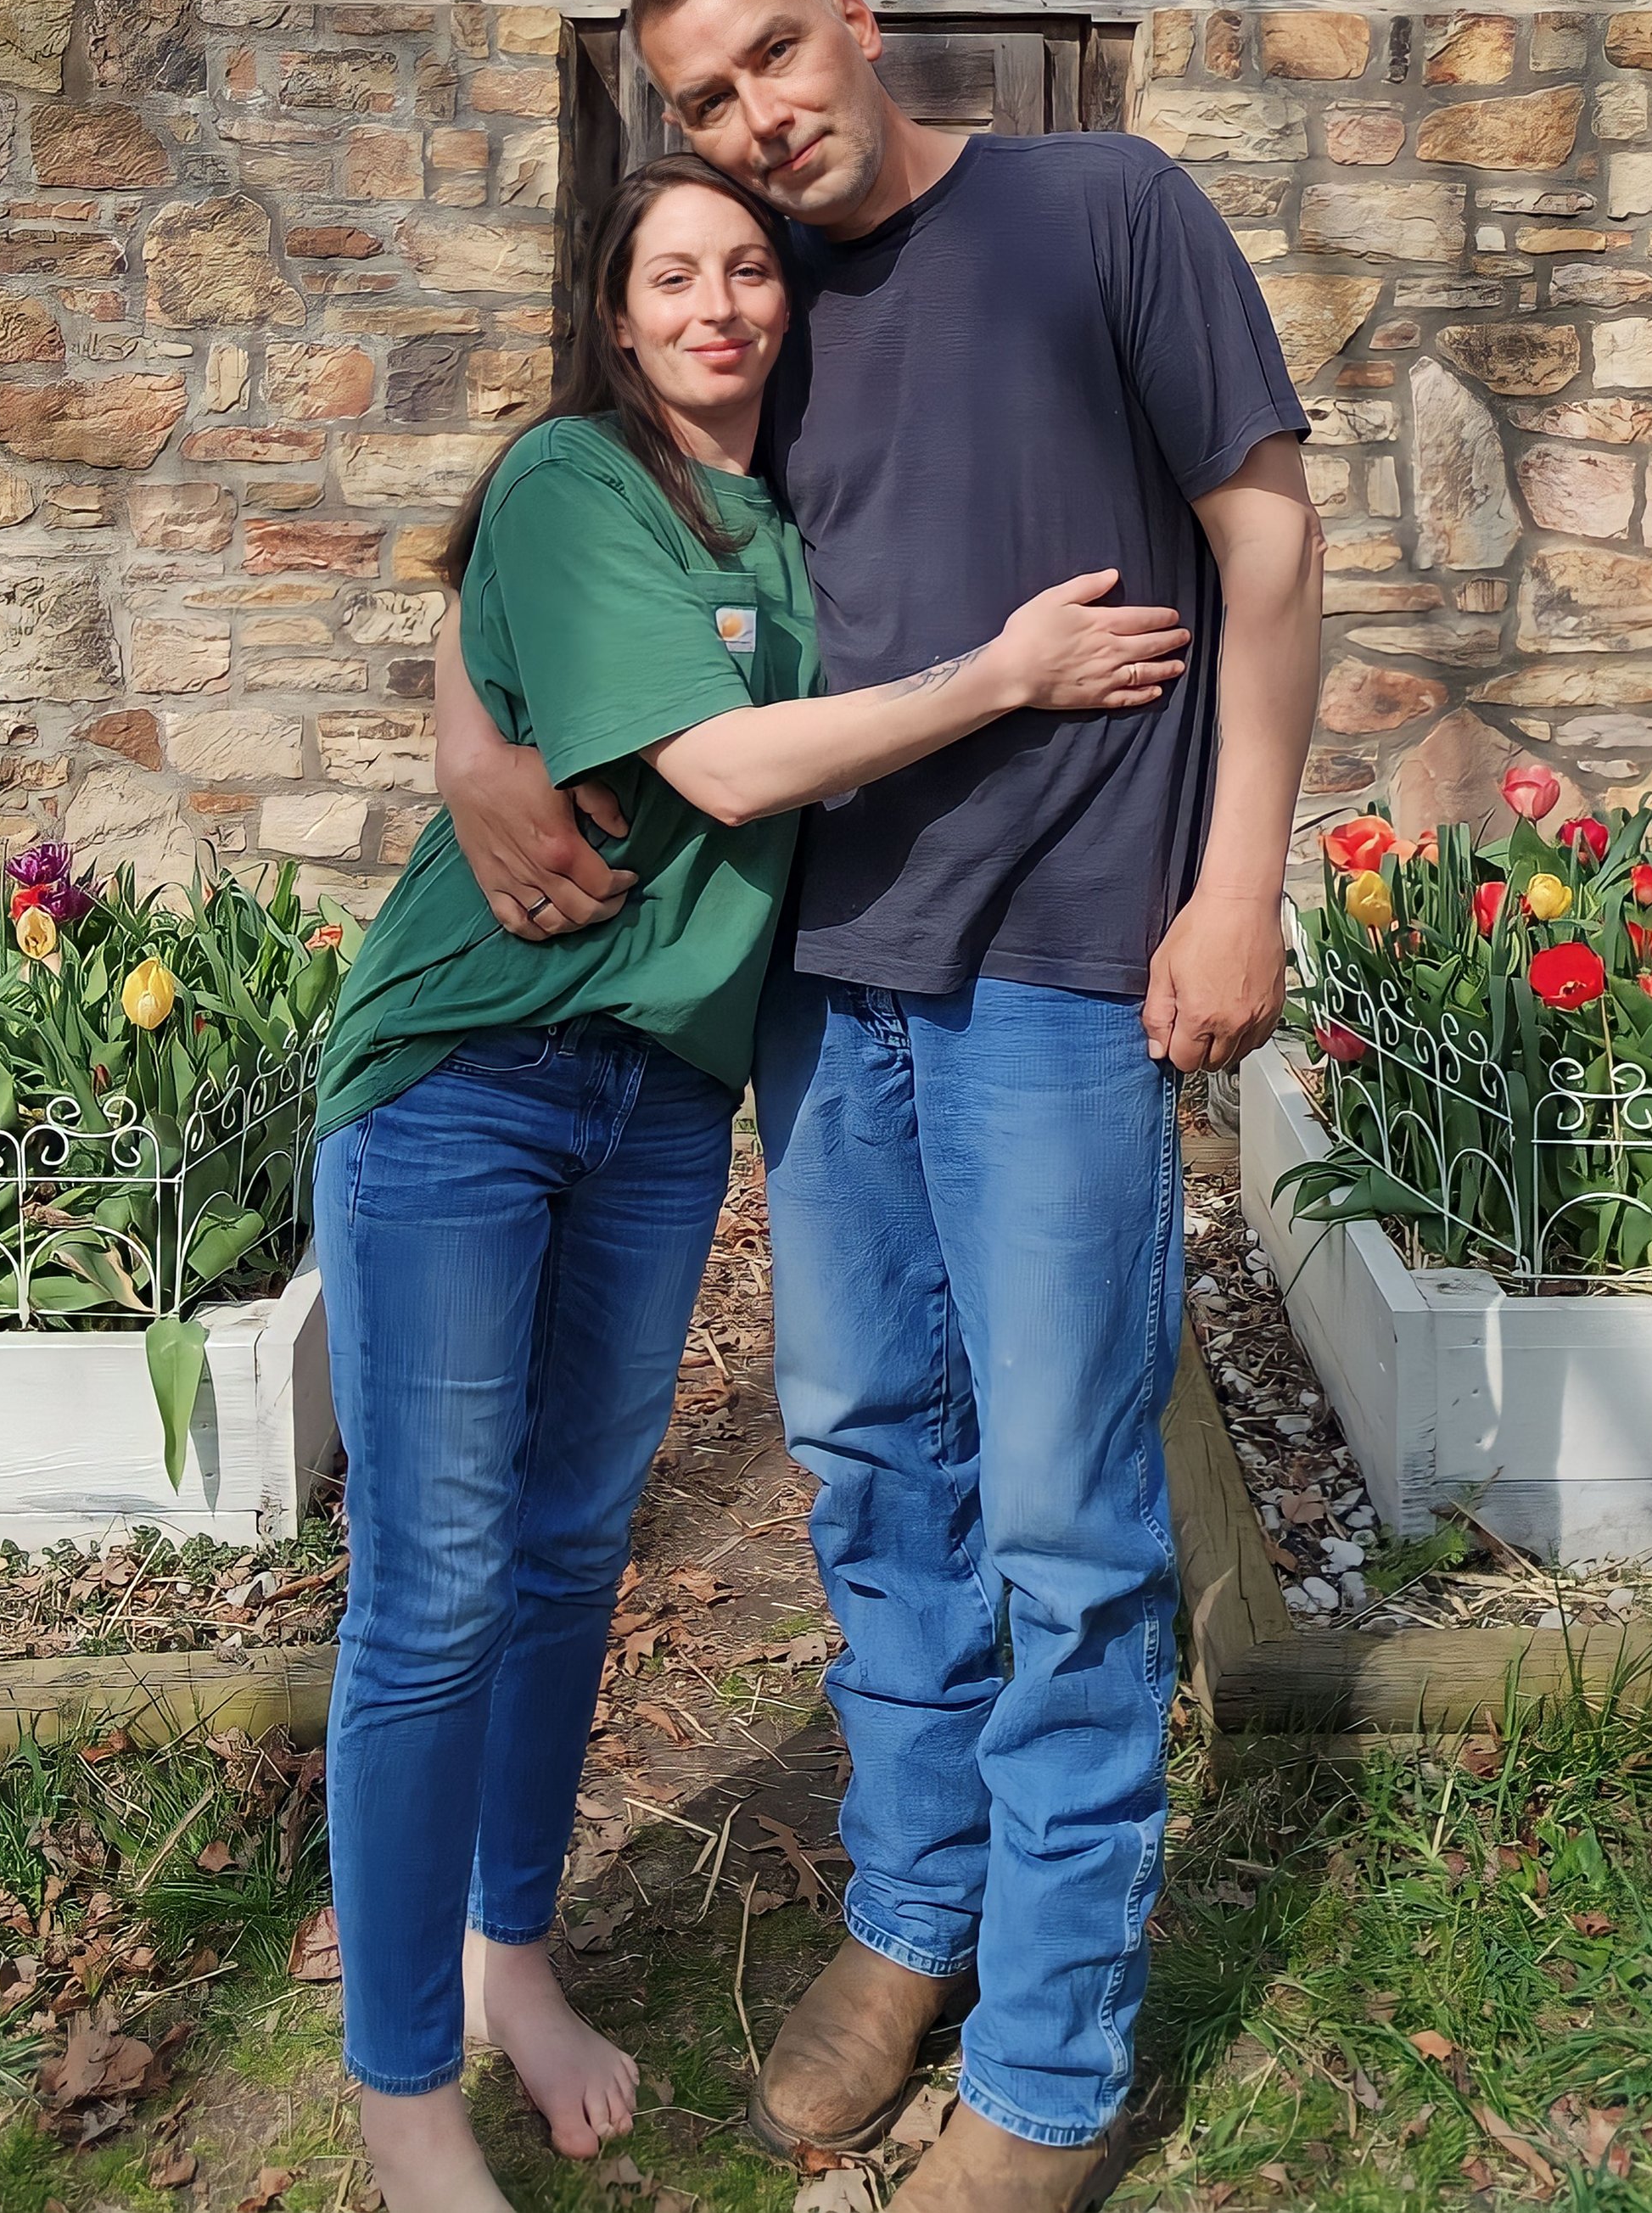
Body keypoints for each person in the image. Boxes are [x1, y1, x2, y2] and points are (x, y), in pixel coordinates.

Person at [431, 0, 1325, 2213]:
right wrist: (463, 739)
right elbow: (536, 508)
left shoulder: (1095, 210)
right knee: (862, 1461)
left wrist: (1237, 886)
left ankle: (1045, 2064)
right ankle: (916, 1903)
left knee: (1060, 1511)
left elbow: (1264, 533)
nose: (755, 120)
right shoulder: (747, 306)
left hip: (1055, 964)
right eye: (707, 108)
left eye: (764, 58)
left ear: (837, 5)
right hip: (822, 976)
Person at [312, 149, 1192, 2213]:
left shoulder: (782, 528)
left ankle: (509, 1958)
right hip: (463, 1075)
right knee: (433, 1584)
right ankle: (397, 2092)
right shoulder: (569, 473)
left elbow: (496, 632)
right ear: (610, 318)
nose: (718, 304)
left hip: (651, 1104)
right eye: (671, 276)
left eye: (746, 273)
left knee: (561, 1563)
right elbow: (715, 764)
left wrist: (464, 706)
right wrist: (1000, 674)